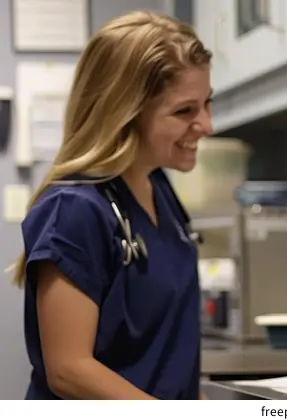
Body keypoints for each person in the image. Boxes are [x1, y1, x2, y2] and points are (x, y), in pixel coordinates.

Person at [11, 10, 213, 399]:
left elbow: (168, 354)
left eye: (207, 103)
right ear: (124, 112)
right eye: (185, 110)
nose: (207, 125)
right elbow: (68, 370)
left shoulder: (159, 188)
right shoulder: (73, 209)